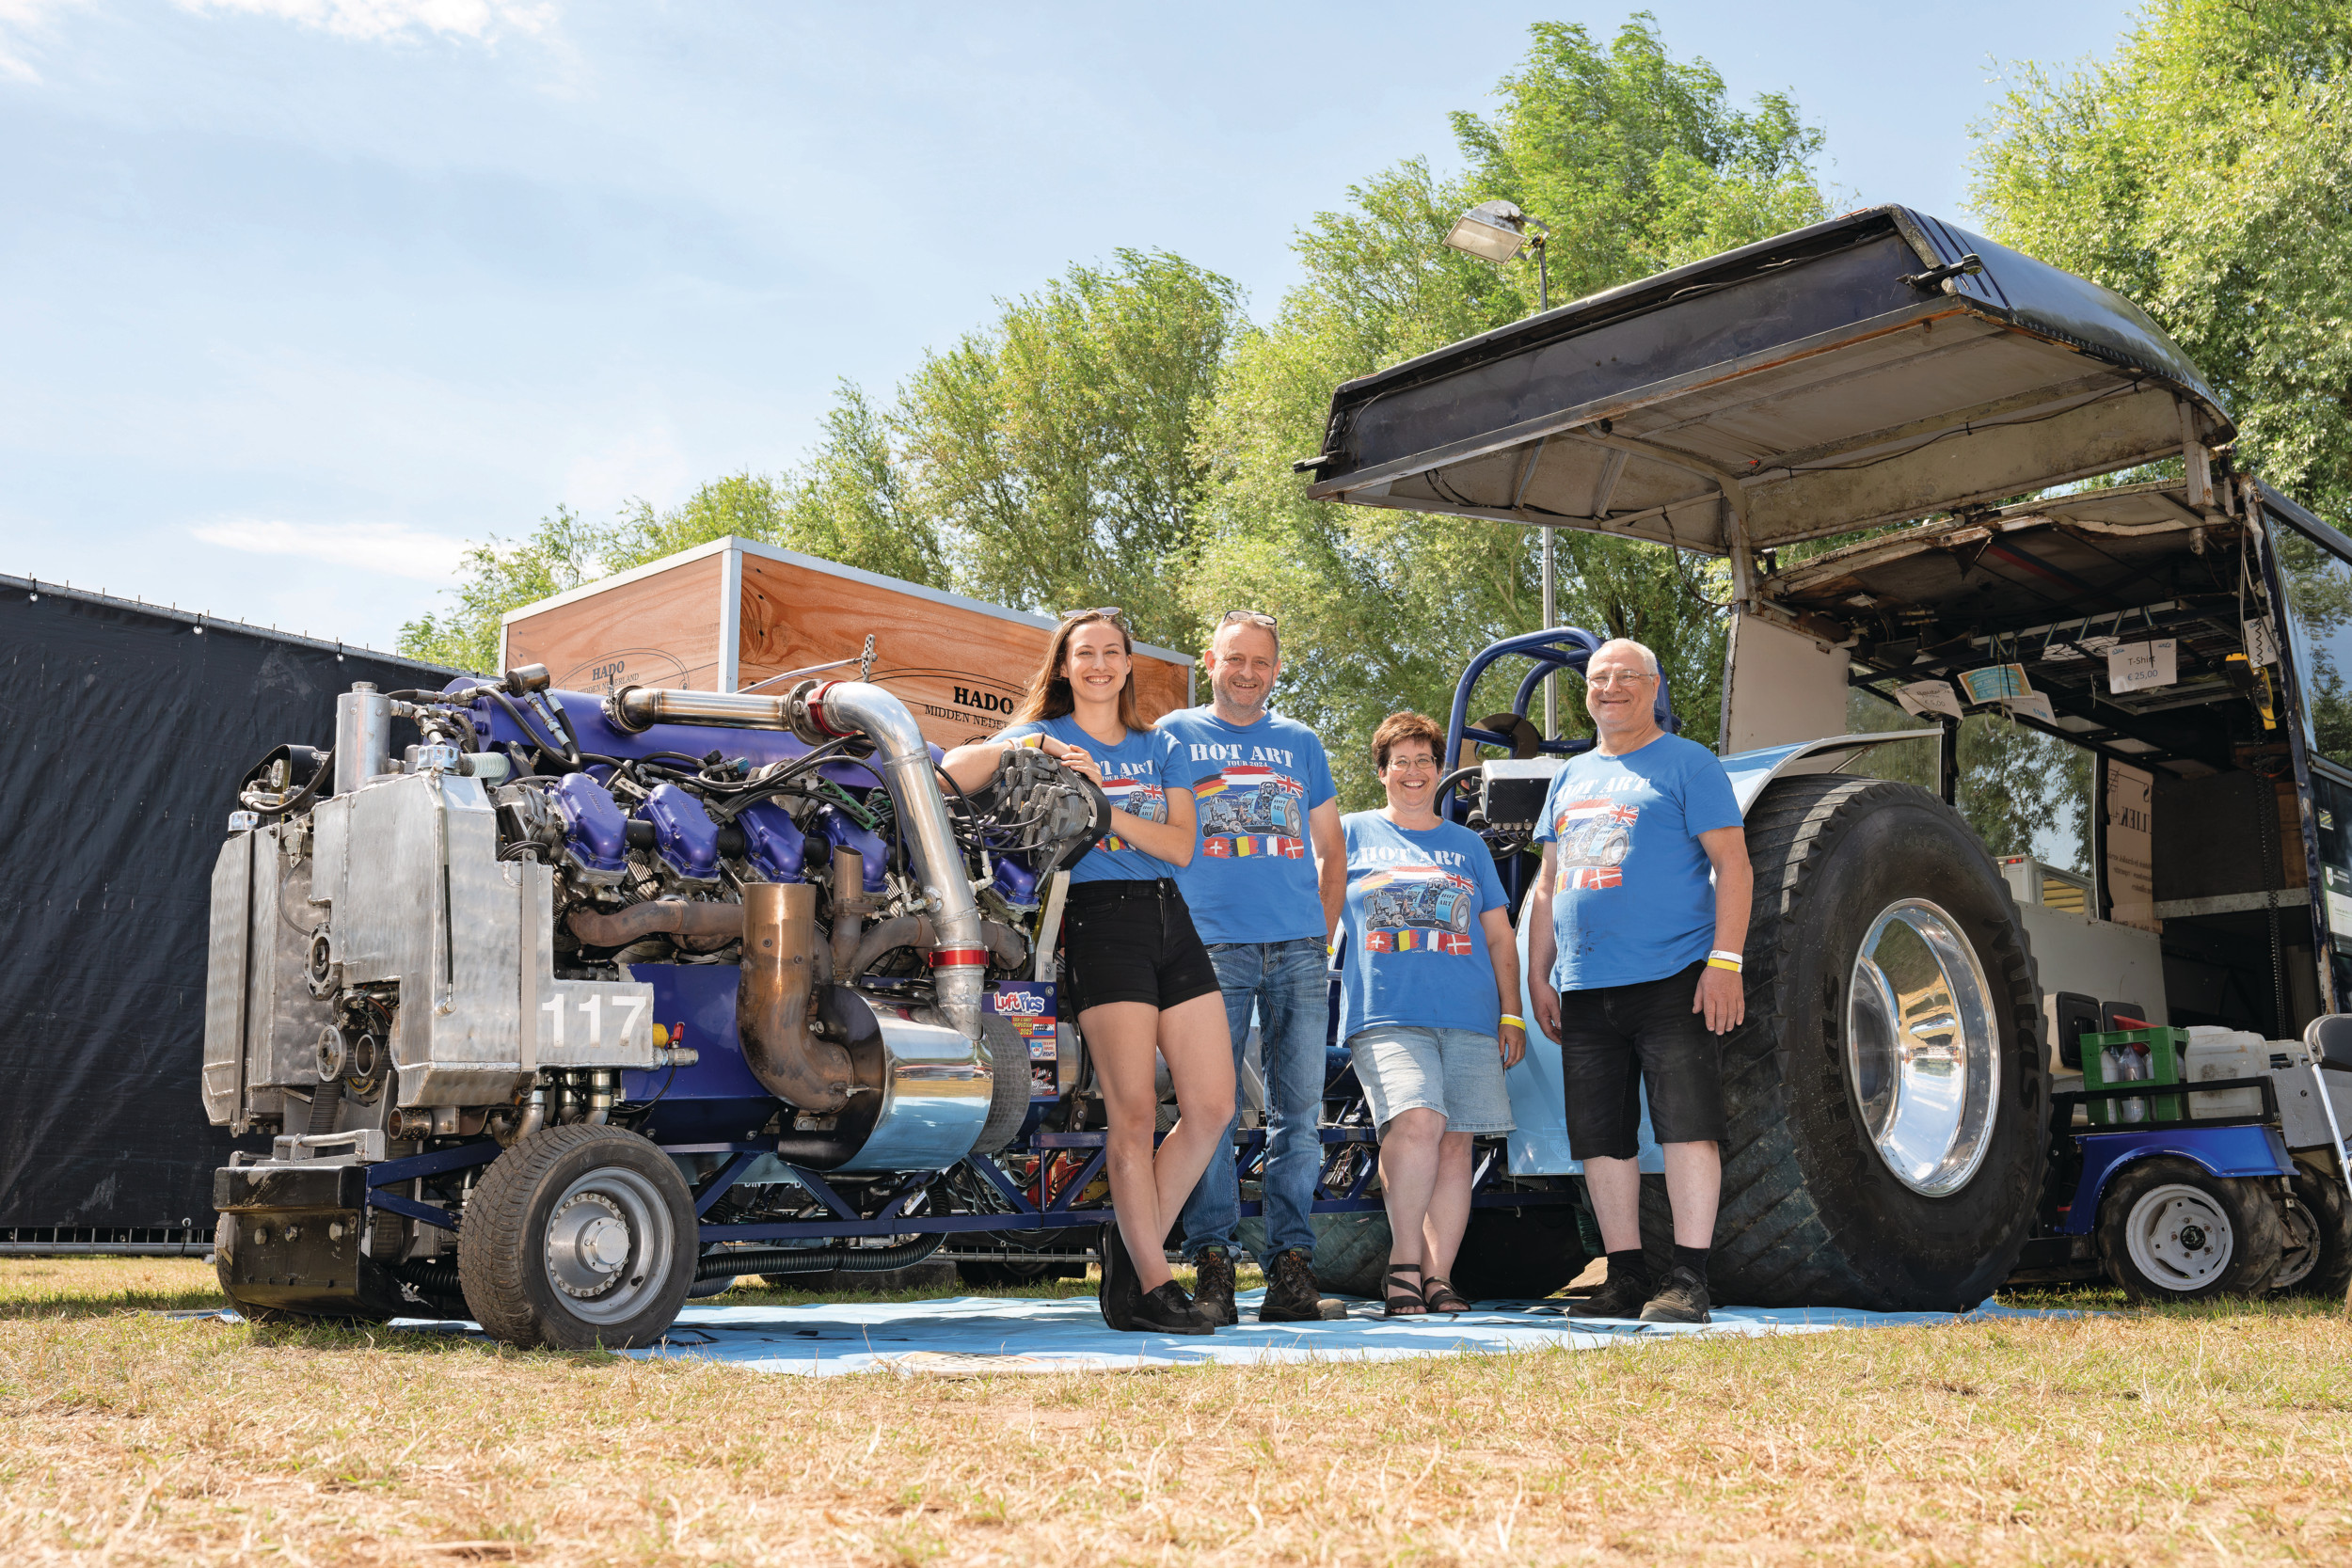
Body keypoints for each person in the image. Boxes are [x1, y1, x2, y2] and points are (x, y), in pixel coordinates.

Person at [942, 609, 1234, 1337]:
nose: (1099, 664)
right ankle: (1154, 1283)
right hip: (1102, 922)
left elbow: (1181, 845)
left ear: (1129, 664)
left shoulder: (1160, 744)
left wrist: (1102, 808)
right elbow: (952, 773)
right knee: (1132, 1111)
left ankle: (1129, 1255)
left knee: (1212, 1106)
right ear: (1065, 666)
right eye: (1084, 653)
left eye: (1111, 652)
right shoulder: (1046, 734)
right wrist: (1034, 743)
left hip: (1170, 916)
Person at [1527, 637, 1752, 1325]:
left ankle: (1689, 1279)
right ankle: (1624, 1277)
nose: (1611, 687)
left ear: (1654, 687)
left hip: (1674, 977)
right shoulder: (1569, 777)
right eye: (1599, 677)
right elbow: (1548, 883)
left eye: (1627, 675)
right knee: (1600, 1138)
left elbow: (1734, 866)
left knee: (1688, 1127)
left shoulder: (1690, 763)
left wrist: (1725, 962)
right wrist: (1539, 972)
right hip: (1584, 985)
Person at [1160, 610, 1345, 1325]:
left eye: (1260, 661)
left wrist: (1319, 936)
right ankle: (1213, 1264)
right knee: (1209, 1111)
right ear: (1211, 660)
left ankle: (1291, 1267)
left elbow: (1331, 848)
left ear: (1275, 669)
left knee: (1298, 1115)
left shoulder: (1300, 743)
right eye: (1234, 658)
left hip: (1297, 949)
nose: (1247, 672)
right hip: (1209, 949)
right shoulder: (1173, 735)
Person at [1337, 712, 1525, 1316]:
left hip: (1471, 1015)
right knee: (1417, 1122)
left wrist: (1513, 1014)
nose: (1413, 772)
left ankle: (1439, 1278)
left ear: (1439, 770)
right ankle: (1403, 1265)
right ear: (1382, 771)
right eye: (1401, 762)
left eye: (1424, 761)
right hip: (1386, 1013)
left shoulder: (1467, 846)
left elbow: (1498, 937)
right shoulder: (1351, 833)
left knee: (1455, 1143)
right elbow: (1312, 911)